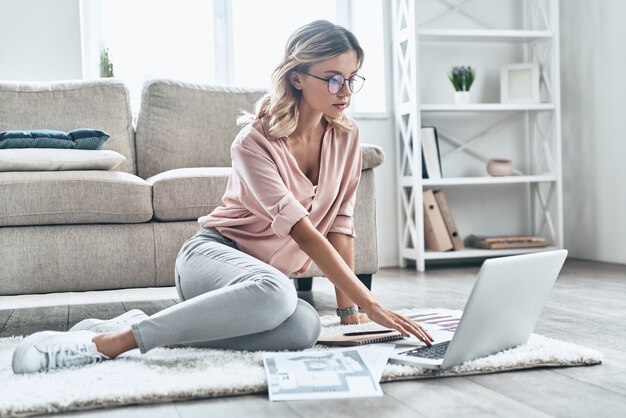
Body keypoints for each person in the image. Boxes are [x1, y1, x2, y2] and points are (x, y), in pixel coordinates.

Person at [12, 20, 433, 374]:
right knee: (279, 292)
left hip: (262, 288)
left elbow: (341, 223)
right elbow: (303, 233)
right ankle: (109, 343)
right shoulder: (253, 141)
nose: (346, 91)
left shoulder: (347, 137)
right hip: (210, 261)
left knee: (303, 329)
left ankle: (151, 324)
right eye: (334, 78)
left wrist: (350, 316)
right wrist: (371, 300)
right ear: (298, 77)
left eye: (353, 77)